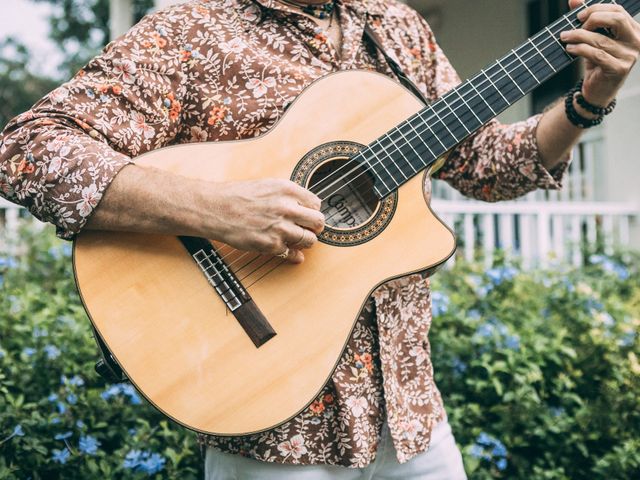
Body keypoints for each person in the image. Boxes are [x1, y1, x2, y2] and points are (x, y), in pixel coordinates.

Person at [1, 0, 639, 478]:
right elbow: (28, 149)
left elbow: (485, 165)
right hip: (268, 419)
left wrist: (588, 101)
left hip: (410, 413)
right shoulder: (193, 31)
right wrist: (214, 208)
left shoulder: (396, 28)